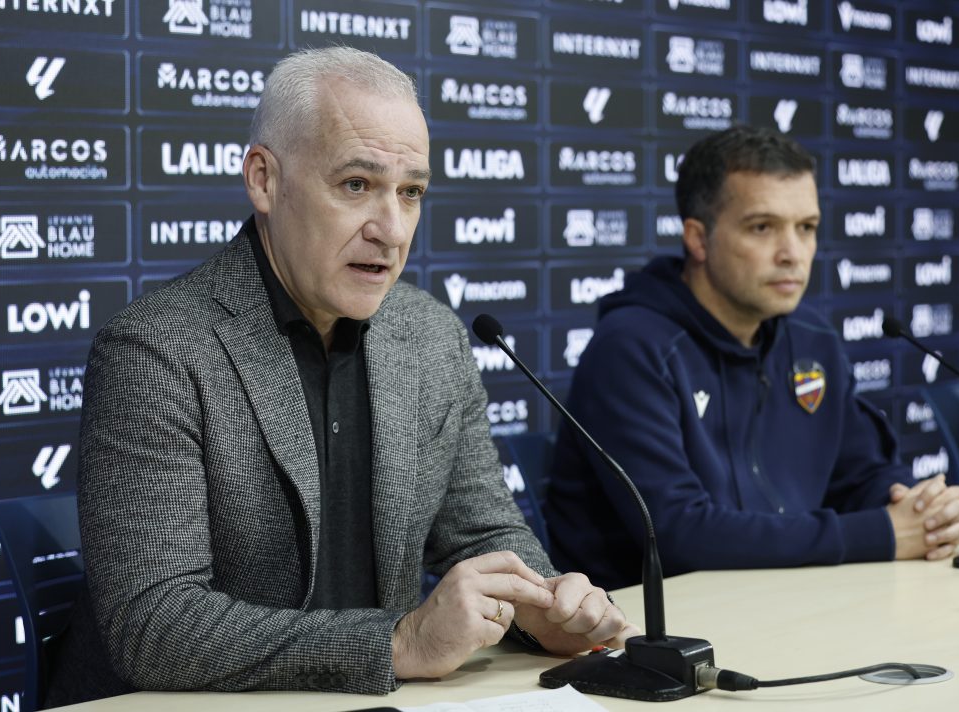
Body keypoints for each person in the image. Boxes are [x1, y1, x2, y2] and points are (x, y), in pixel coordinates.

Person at [45, 47, 634, 707]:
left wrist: (545, 606)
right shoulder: (156, 350)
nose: (392, 230)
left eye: (410, 192)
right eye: (356, 185)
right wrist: (399, 642)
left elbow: (484, 534)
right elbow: (154, 625)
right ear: (264, 180)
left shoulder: (431, 337)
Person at [544, 125, 959, 587]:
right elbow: (678, 535)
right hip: (650, 618)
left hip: (784, 594)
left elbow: (858, 474)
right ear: (698, 239)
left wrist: (918, 509)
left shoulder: (812, 338)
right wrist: (880, 534)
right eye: (762, 227)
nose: (792, 254)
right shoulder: (631, 348)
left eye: (806, 228)